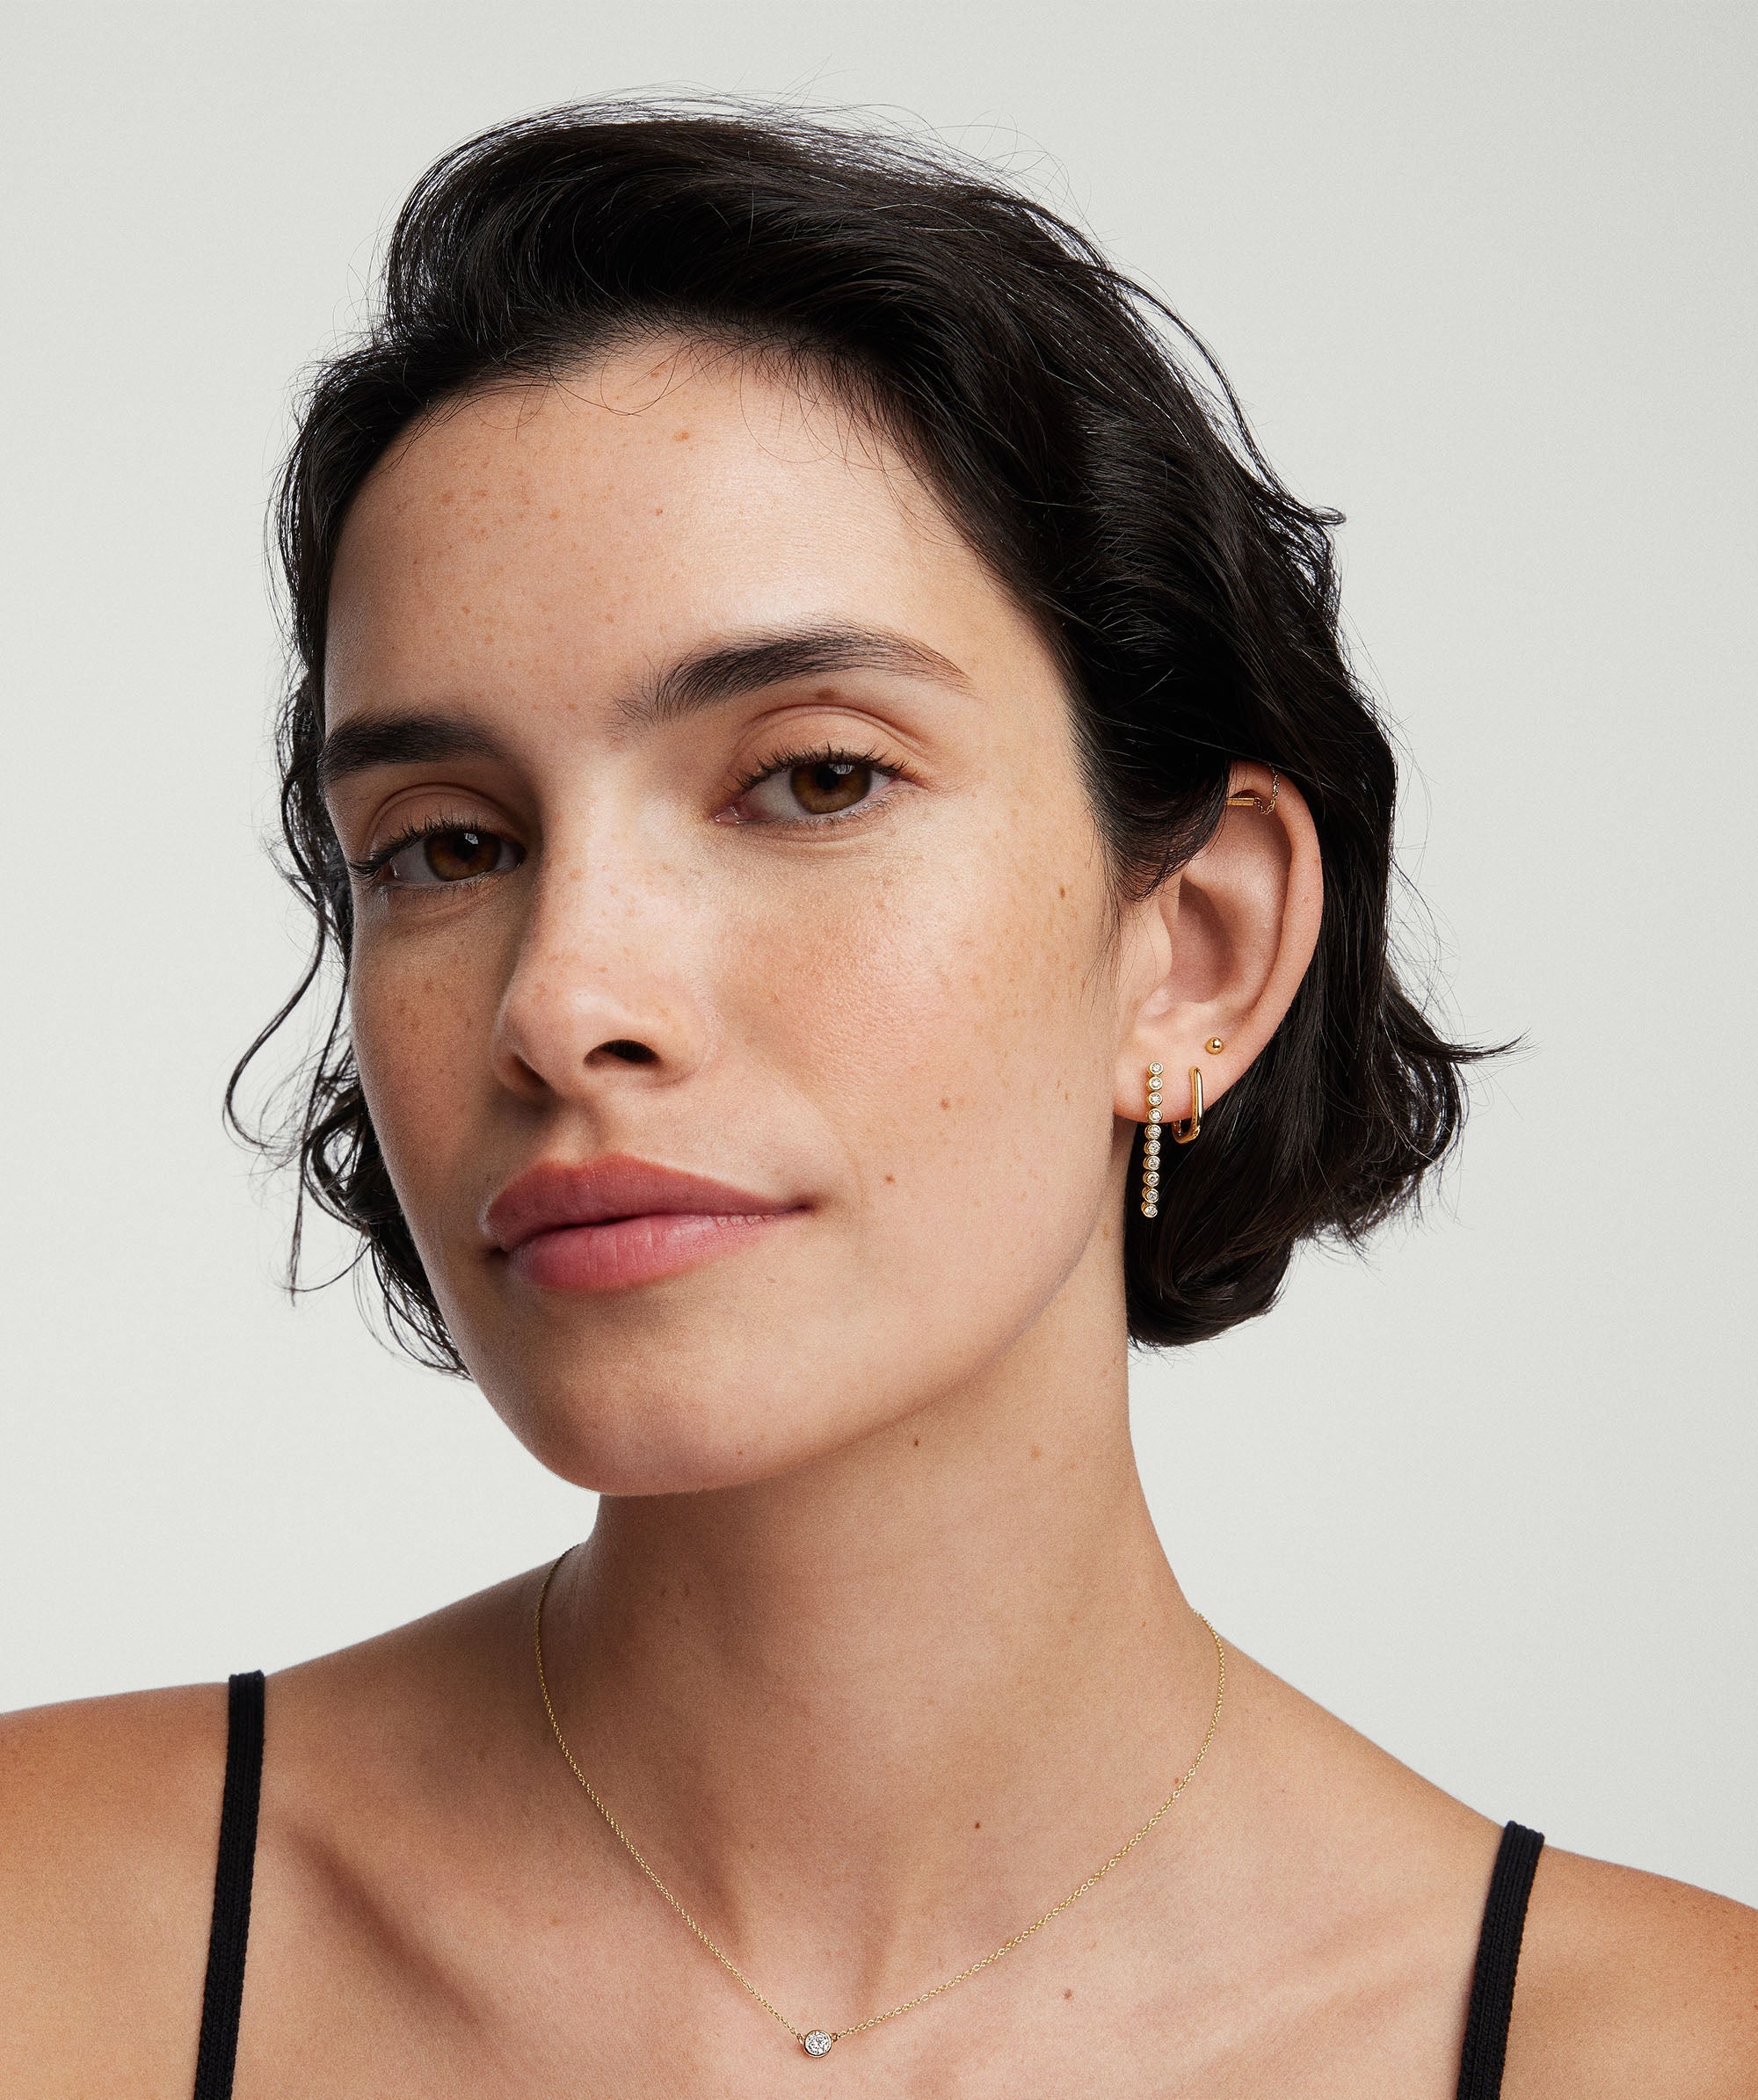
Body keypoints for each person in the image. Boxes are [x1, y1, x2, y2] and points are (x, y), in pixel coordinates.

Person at [2, 101, 1752, 2099]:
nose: (561, 1002)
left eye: (814, 777)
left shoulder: (1660, 2054)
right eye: (447, 843)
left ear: (1196, 947)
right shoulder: (49, 1942)